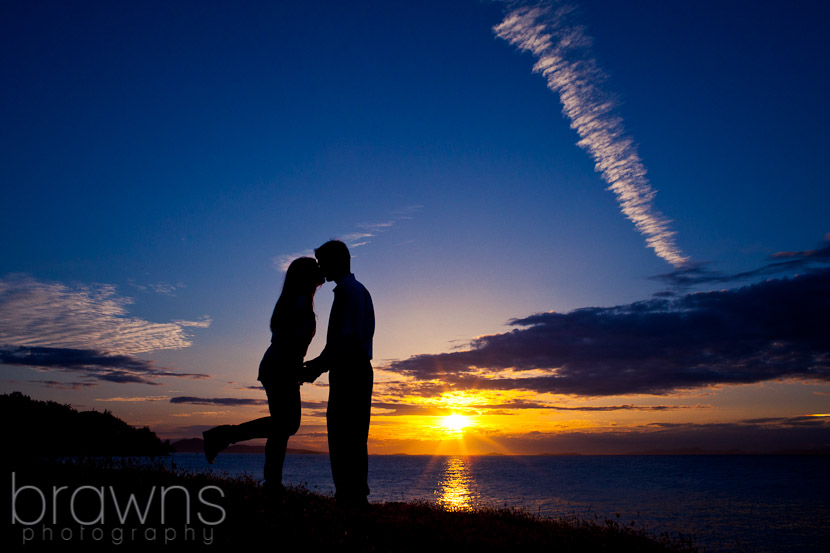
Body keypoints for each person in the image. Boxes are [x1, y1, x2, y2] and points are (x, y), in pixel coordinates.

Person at [202, 257, 324, 493]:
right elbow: (289, 342)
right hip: (280, 367)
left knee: (282, 426)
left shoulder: (296, 301)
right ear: (305, 277)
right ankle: (222, 437)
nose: (320, 271)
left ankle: (272, 482)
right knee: (287, 424)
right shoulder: (299, 302)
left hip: (278, 366)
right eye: (315, 268)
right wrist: (299, 369)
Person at [302, 240, 374, 507]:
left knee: (345, 434)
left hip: (351, 371)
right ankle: (353, 494)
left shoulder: (348, 293)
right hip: (352, 369)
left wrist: (318, 366)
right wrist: (319, 364)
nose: (321, 268)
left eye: (324, 262)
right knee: (352, 435)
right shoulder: (355, 291)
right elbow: (340, 341)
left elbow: (345, 341)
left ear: (338, 261)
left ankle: (349, 495)